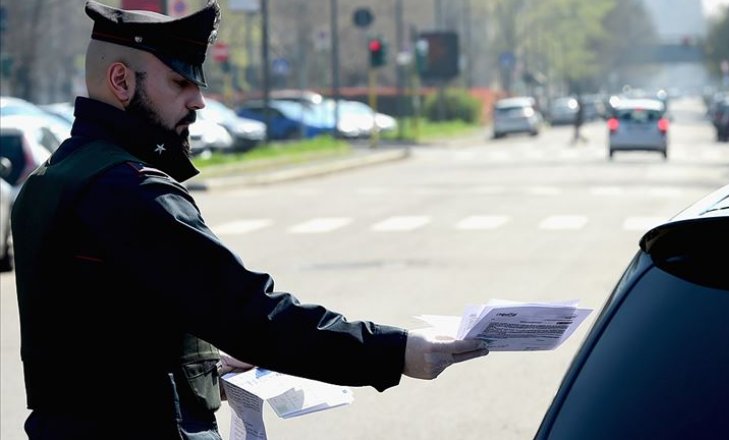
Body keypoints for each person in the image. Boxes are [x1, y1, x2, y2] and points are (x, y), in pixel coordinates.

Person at [10, 1, 488, 439]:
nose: (197, 101)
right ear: (121, 82)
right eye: (180, 82)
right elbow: (249, 312)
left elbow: (96, 332)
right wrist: (396, 351)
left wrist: (202, 361)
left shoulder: (51, 179)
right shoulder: (131, 190)